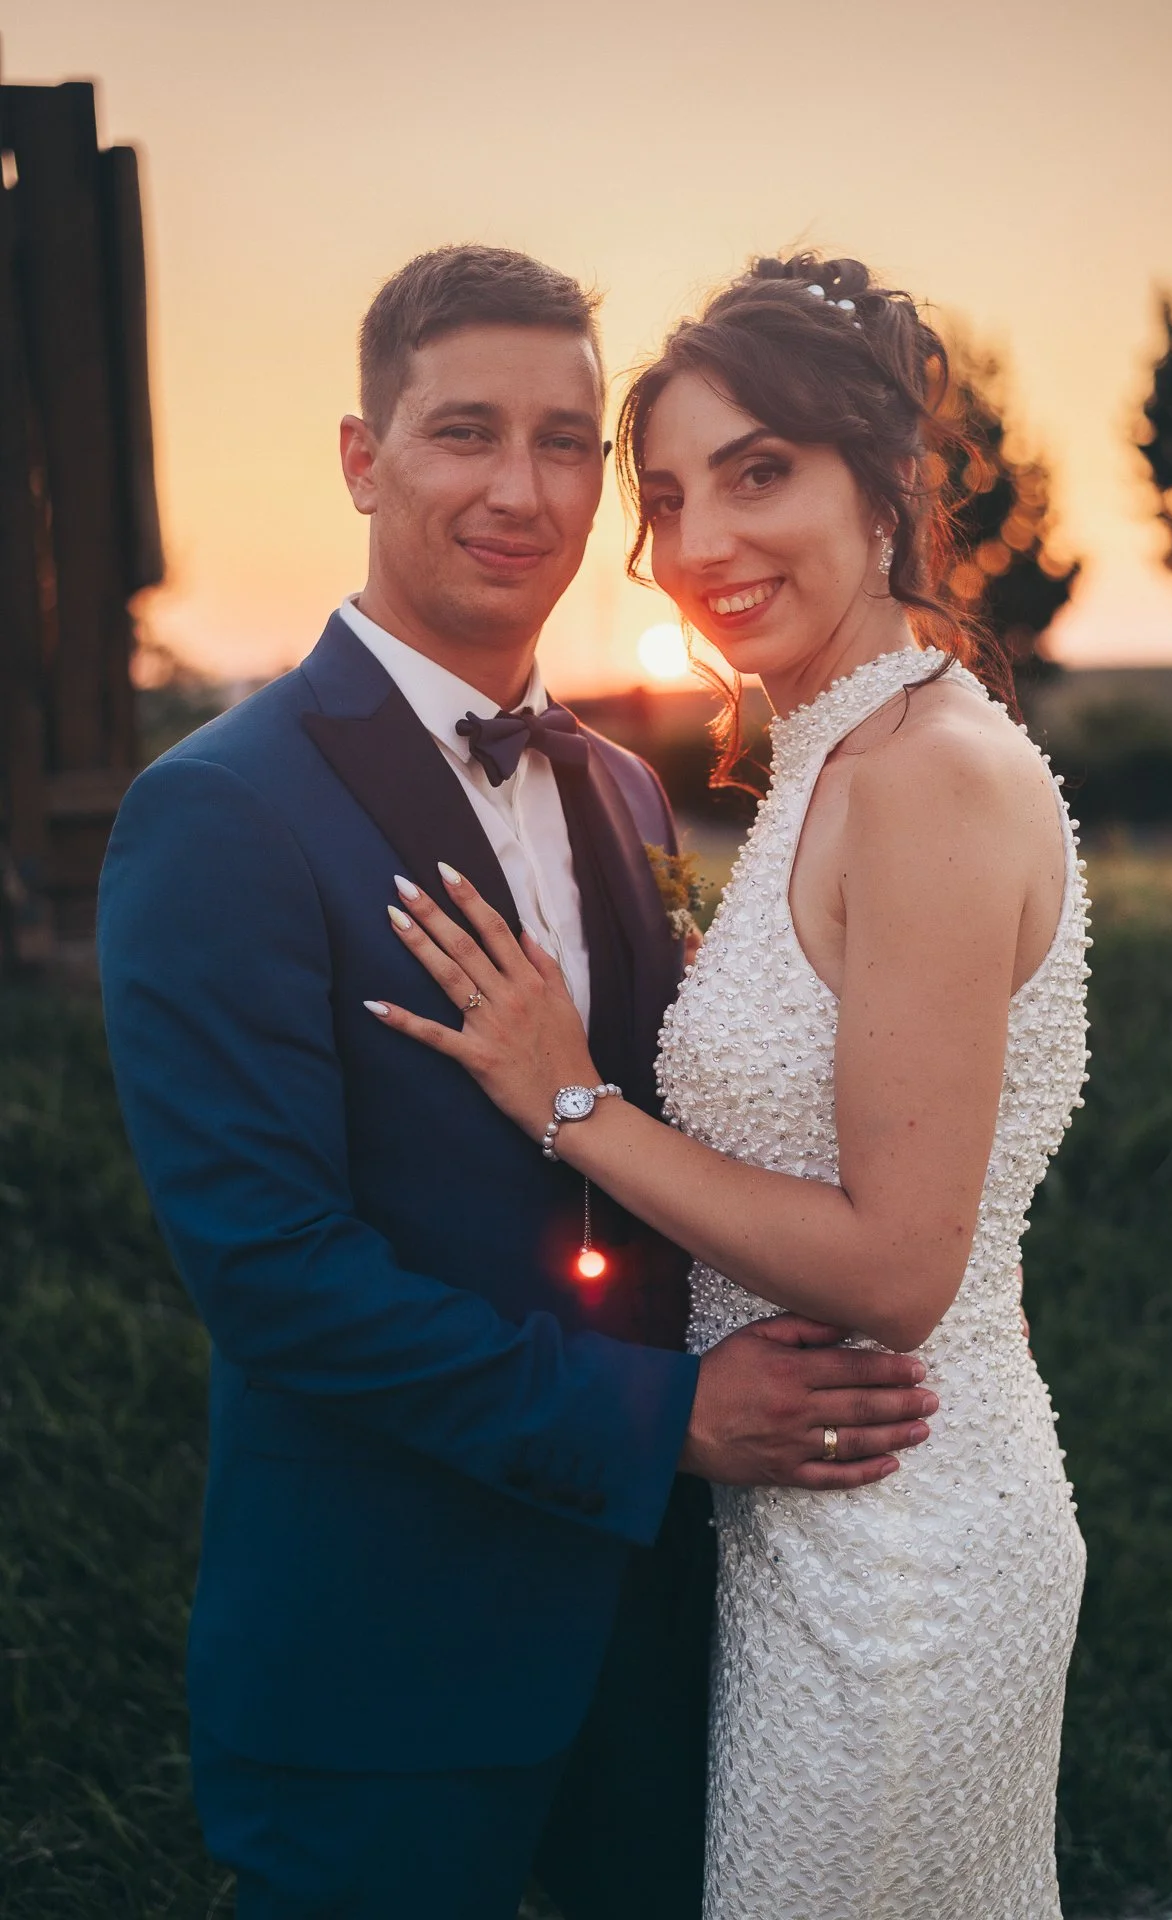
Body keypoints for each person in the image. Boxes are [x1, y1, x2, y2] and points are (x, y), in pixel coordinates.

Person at [96, 246, 937, 1920]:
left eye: (566, 443)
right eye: (464, 432)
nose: (521, 489)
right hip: (387, 1665)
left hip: (664, 1650)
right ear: (362, 456)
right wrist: (668, 1421)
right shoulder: (219, 813)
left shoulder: (626, 790)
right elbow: (274, 1278)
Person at [369, 252, 1090, 1919]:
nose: (702, 547)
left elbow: (904, 1270)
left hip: (896, 1548)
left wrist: (575, 1106)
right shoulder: (836, 759)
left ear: (886, 479)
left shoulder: (925, 779)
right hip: (807, 1533)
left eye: (761, 475)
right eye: (672, 495)